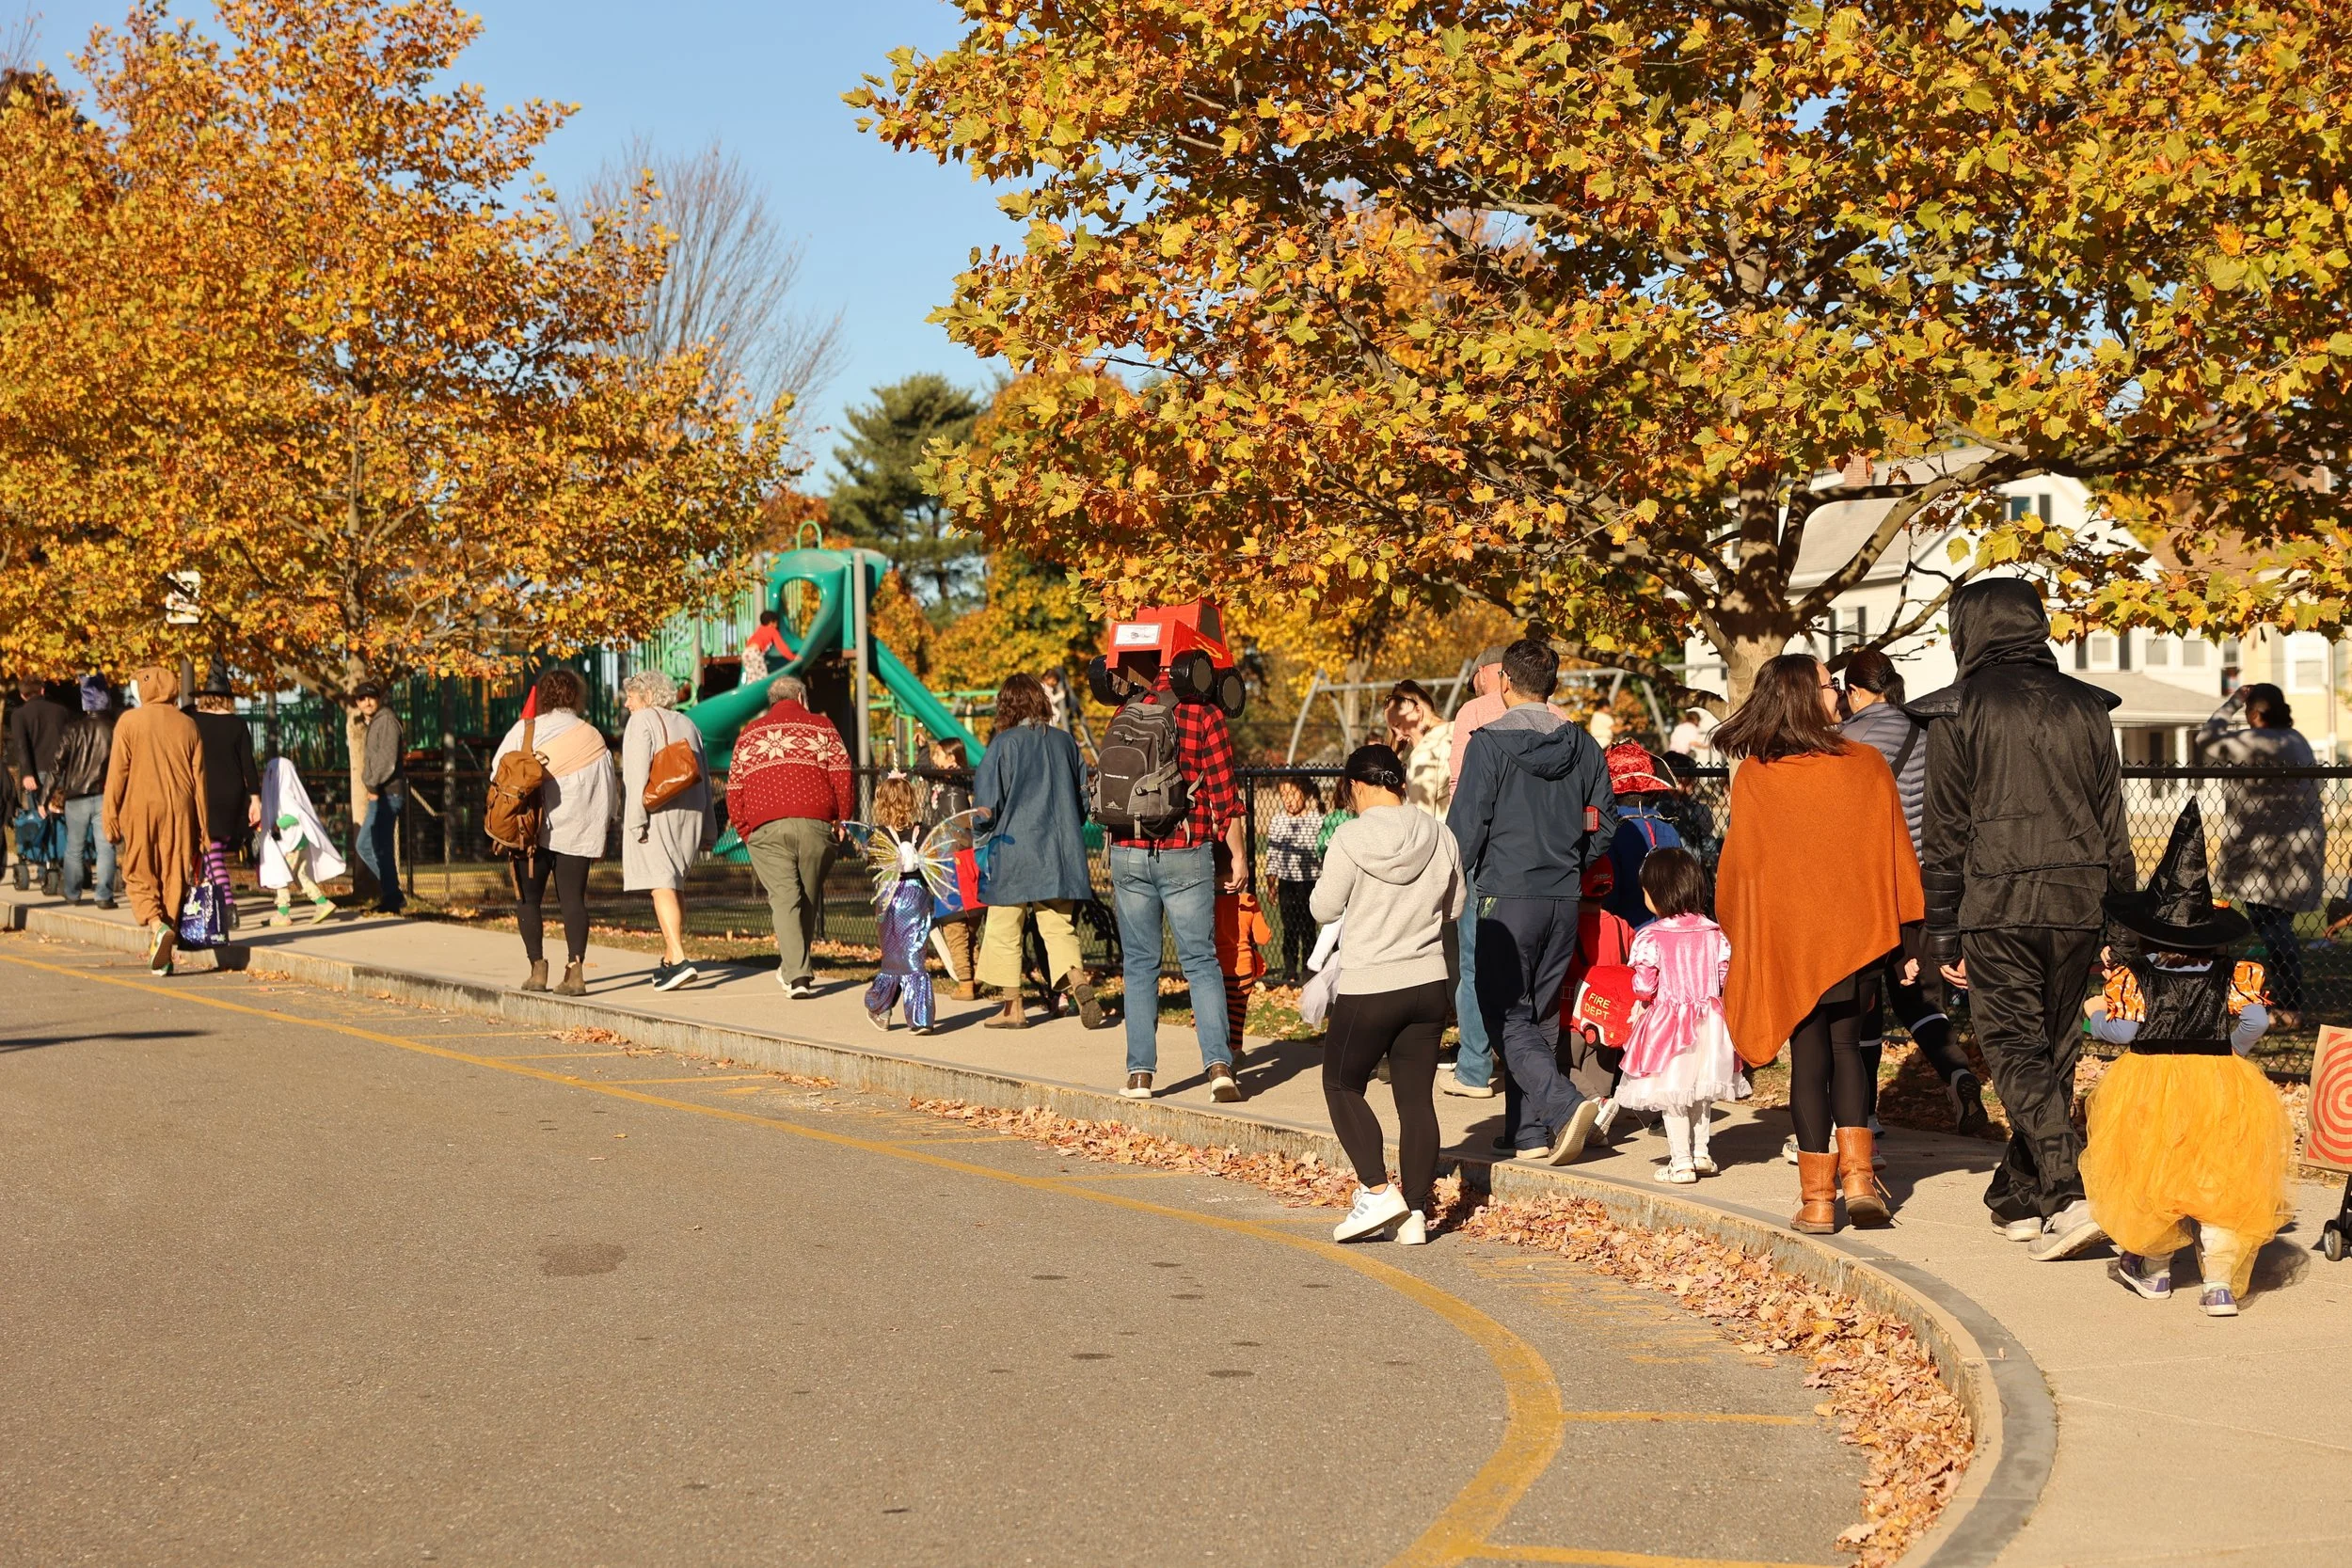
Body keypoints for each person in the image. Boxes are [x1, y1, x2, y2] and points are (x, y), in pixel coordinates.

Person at [1911, 578, 2133, 1259]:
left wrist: (1940, 927)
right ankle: (2019, 1196)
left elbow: (1944, 830)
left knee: (2012, 1050)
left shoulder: (1959, 711)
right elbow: (2112, 822)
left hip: (1997, 904)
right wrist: (2119, 926)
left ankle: (2067, 1189)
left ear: (1967, 629)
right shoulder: (2086, 708)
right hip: (2078, 900)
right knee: (2054, 1052)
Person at [1716, 653, 1921, 1234]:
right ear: (1805, 696)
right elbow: (1894, 851)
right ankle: (1858, 1181)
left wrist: (1745, 931)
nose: (1837, 695)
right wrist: (1907, 933)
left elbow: (1740, 871)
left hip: (1791, 940)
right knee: (1849, 1050)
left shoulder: (1756, 775)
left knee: (1809, 1061)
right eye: (1829, 686)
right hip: (1854, 935)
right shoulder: (1866, 765)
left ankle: (1816, 1202)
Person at [2082, 800, 2293, 1317]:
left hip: (2148, 1078)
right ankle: (2219, 1281)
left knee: (2150, 1171)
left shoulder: (2135, 976)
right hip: (2219, 1078)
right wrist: (2229, 1052)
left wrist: (2094, 1018)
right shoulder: (2233, 976)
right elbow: (2258, 1022)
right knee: (2219, 1175)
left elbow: (2128, 1028)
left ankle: (2152, 1270)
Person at [1447, 638, 1617, 1164]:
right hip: (1563, 896)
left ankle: (1565, 1106)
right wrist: (1573, 859)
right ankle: (1528, 1134)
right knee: (1539, 1015)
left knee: (1501, 1014)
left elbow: (1464, 827)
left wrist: (1457, 881)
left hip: (1506, 894)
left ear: (1502, 683)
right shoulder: (1584, 745)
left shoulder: (1487, 743)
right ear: (1553, 685)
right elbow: (1604, 822)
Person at [1312, 744, 1466, 1246]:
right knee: (1416, 1100)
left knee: (1340, 1083)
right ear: (1398, 782)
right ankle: (1416, 1213)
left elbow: (1323, 907)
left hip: (1371, 984)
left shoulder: (1350, 838)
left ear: (1357, 786)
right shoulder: (1440, 833)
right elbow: (1456, 905)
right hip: (1427, 982)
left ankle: (1378, 1191)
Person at [1838, 650, 1992, 1138]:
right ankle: (1959, 1074)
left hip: (1867, 885)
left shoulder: (1845, 742)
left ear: (1856, 692)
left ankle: (1863, 1114)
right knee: (1919, 996)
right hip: (1925, 882)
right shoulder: (1927, 734)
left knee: (1860, 998)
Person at [1103, 651, 1247, 1101]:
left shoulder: (1125, 710)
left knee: (1140, 965)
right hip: (1185, 848)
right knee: (1200, 961)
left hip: (1127, 849)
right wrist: (1236, 857)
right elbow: (1225, 797)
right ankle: (1219, 1068)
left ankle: (1140, 1075)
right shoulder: (1205, 714)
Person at [971, 673, 1102, 1029]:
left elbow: (986, 807)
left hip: (1012, 849)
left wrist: (978, 837)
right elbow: (1083, 802)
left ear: (1007, 706)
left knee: (1003, 928)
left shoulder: (1003, 745)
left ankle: (1013, 1009)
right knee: (1059, 927)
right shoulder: (1065, 743)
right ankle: (1077, 981)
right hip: (1060, 852)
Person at [2198, 683, 2326, 1029]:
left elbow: (2206, 738)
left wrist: (2232, 701)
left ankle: (2288, 1004)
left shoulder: (2250, 742)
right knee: (2278, 925)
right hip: (2298, 850)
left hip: (2261, 853)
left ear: (2253, 712)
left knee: (2272, 928)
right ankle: (2285, 999)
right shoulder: (2295, 740)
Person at [491, 668, 618, 996]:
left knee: (527, 899)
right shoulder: (592, 736)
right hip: (578, 832)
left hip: (528, 831)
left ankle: (537, 969)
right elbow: (607, 787)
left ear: (544, 696)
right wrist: (602, 826)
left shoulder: (525, 730)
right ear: (576, 696)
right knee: (573, 900)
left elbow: (497, 771)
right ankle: (575, 972)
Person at [1616, 848, 1739, 1184]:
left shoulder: (1651, 936)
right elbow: (1724, 975)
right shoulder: (1715, 933)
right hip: (1711, 1022)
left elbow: (1644, 986)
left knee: (1672, 1094)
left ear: (1658, 892)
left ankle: (1680, 1160)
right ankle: (1701, 1153)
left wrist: (1644, 998)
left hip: (1668, 1024)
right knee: (1701, 1090)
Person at [729, 673, 855, 998]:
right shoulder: (823, 727)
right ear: (801, 698)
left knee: (785, 899)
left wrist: (745, 828)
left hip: (766, 827)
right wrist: (843, 819)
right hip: (816, 824)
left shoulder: (749, 735)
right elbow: (842, 775)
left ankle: (796, 974)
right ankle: (795, 971)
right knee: (807, 896)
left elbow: (735, 787)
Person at [103, 667, 210, 975]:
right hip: (180, 808)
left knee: (138, 871)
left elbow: (117, 774)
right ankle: (164, 946)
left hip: (139, 806)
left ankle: (154, 924)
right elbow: (199, 780)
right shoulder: (189, 725)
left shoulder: (130, 722)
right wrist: (204, 829)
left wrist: (110, 815)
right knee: (173, 873)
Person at [1441, 644, 1509, 1101]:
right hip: (1535, 858)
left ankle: (1474, 1067)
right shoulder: (1559, 716)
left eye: (1476, 677)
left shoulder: (1474, 713)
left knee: (1472, 961)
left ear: (1490, 672)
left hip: (1481, 852)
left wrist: (1454, 855)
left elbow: (1458, 783)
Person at [619, 670, 713, 991]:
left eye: (631, 696)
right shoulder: (688, 723)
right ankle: (671, 959)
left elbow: (635, 776)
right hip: (691, 811)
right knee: (674, 885)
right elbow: (705, 774)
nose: (628, 703)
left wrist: (635, 821)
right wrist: (709, 827)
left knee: (660, 883)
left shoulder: (641, 722)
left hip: (657, 812)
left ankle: (681, 959)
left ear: (646, 696)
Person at [862, 774, 939, 1034]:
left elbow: (872, 865)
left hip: (889, 899)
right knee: (913, 956)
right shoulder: (925, 831)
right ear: (911, 801)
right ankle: (919, 1017)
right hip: (917, 896)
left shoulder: (878, 836)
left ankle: (879, 1006)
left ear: (882, 803)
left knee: (894, 957)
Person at [189, 671, 262, 927]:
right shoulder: (238, 724)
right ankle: (216, 908)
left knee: (213, 853)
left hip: (203, 792)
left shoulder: (193, 721)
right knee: (213, 850)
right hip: (232, 794)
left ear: (205, 697)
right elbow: (248, 765)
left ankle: (229, 907)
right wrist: (255, 798)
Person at [920, 736, 985, 1000]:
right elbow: (924, 771)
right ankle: (980, 972)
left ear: (951, 759)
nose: (934, 760)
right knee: (967, 925)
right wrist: (924, 750)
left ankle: (966, 983)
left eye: (938, 754)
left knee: (954, 924)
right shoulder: (947, 781)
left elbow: (932, 774)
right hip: (961, 855)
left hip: (952, 857)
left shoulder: (956, 781)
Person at [50, 675, 119, 909]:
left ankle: (72, 892)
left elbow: (58, 763)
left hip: (76, 795)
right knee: (106, 847)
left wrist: (46, 795)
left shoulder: (73, 730)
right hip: (105, 794)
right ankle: (104, 896)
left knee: (74, 847)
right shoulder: (114, 729)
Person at [1600, 742, 1682, 931]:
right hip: (1668, 930)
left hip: (1625, 931)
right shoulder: (1667, 826)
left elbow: (1609, 894)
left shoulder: (1609, 829)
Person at [258, 756, 342, 925]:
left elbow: (296, 815)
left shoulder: (284, 792)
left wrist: (277, 825)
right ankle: (322, 903)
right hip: (299, 841)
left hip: (292, 841)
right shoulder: (287, 790)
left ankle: (283, 913)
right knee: (300, 875)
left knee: (280, 873)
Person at [1262, 774, 1324, 987]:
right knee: (1290, 928)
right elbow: (1273, 855)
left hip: (1310, 882)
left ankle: (1309, 970)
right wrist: (1272, 885)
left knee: (1308, 928)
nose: (1287, 799)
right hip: (1287, 882)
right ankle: (1289, 971)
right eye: (1283, 795)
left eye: (1292, 793)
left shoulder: (1317, 820)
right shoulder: (1279, 820)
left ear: (1304, 793)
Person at [1213, 839, 1272, 1058]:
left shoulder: (1208, 903)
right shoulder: (1247, 901)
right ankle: (1235, 1050)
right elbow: (1263, 938)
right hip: (1244, 970)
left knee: (1217, 1012)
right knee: (1237, 1016)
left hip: (1216, 970)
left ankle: (1219, 1052)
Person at [350, 683, 405, 914]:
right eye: (362, 699)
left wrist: (372, 783)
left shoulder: (386, 720)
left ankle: (392, 897)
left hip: (388, 793)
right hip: (379, 794)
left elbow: (387, 759)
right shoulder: (375, 722)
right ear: (357, 703)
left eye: (371, 697)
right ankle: (393, 894)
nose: (367, 702)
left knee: (380, 847)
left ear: (378, 698)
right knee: (365, 845)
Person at [8, 674, 71, 858]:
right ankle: (62, 859)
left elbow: (21, 745)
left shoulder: (19, 715)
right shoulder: (61, 711)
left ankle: (45, 862)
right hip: (61, 772)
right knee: (59, 816)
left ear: (22, 695)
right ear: (43, 690)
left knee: (39, 817)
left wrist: (27, 773)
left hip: (36, 773)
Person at [1385, 679, 1454, 817]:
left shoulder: (1423, 754)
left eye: (1398, 725)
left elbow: (1421, 823)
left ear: (1418, 711)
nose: (1398, 737)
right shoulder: (1459, 730)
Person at [739, 610, 789, 685]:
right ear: (772, 623)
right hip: (755, 652)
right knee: (763, 677)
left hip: (746, 652)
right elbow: (781, 647)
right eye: (776, 623)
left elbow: (750, 641)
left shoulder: (759, 629)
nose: (777, 625)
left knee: (751, 678)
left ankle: (751, 693)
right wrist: (792, 657)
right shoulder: (773, 631)